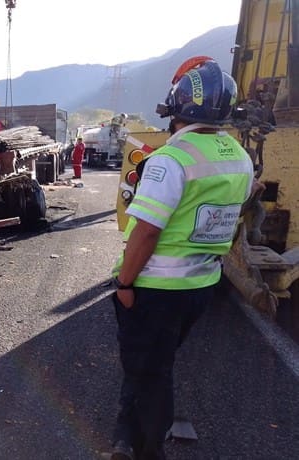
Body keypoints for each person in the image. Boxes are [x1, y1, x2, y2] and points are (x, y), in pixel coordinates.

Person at [109, 59, 254, 460]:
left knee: (149, 374)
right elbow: (234, 206)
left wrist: (124, 285)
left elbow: (148, 231)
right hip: (201, 285)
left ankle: (147, 450)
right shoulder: (239, 157)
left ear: (176, 107)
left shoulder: (171, 160)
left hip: (156, 288)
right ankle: (129, 436)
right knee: (156, 363)